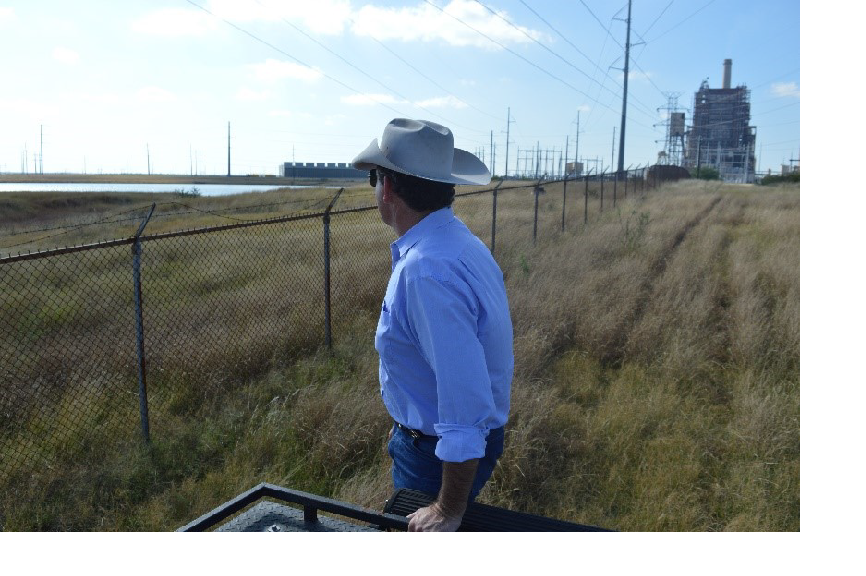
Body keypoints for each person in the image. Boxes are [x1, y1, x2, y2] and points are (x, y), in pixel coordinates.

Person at [352, 118, 514, 532]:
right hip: (444, 446)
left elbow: (464, 406)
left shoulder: (427, 271)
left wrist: (446, 510)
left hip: (433, 454)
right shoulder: (459, 243)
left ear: (387, 187)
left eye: (374, 177)